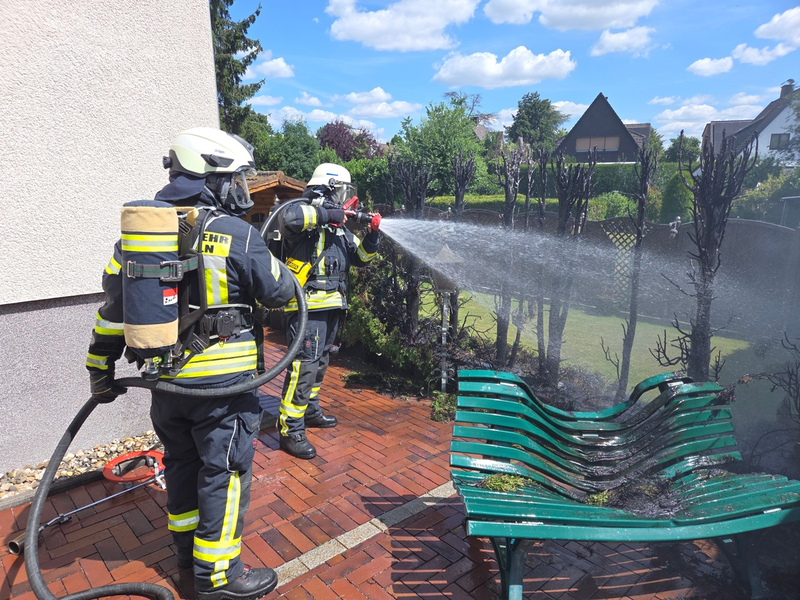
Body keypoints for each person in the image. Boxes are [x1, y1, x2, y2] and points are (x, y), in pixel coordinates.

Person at [86, 127, 295, 600]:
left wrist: (100, 368)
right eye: (237, 178)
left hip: (167, 389)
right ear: (212, 178)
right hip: (223, 392)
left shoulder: (140, 240)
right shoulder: (236, 234)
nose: (242, 189)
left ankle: (186, 552)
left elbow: (113, 310)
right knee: (224, 474)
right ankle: (218, 579)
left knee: (180, 464)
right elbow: (280, 293)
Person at [275, 163, 381, 459]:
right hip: (307, 306)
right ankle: (290, 428)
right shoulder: (303, 214)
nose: (347, 200)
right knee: (304, 366)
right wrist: (327, 213)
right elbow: (289, 219)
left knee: (320, 362)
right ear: (327, 190)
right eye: (343, 193)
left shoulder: (341, 231)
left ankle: (309, 410)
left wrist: (372, 236)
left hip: (333, 305)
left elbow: (361, 257)